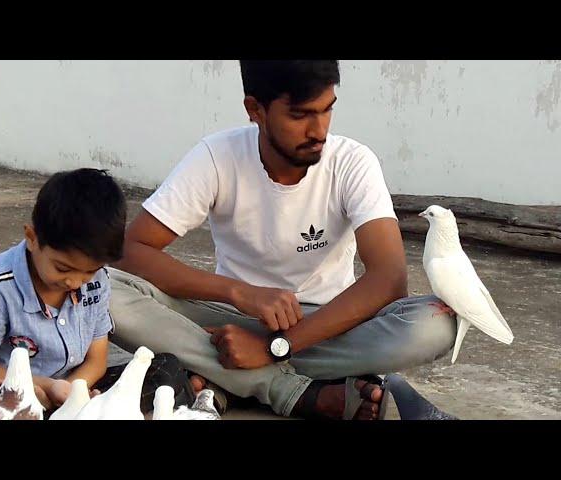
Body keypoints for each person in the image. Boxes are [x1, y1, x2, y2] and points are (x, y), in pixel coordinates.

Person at [109, 60, 458, 420]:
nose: (318, 129)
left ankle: (226, 376)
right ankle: (291, 390)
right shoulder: (217, 157)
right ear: (255, 110)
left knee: (435, 324)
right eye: (300, 115)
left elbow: (389, 278)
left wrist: (277, 348)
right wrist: (238, 292)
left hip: (332, 325)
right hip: (233, 320)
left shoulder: (352, 163)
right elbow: (129, 251)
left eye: (327, 110)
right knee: (104, 291)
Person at [0, 168, 194, 420]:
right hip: (12, 394)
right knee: (6, 414)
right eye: (62, 268)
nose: (75, 281)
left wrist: (74, 395)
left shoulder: (98, 281)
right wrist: (49, 388)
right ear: (32, 238)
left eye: (89, 271)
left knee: (167, 370)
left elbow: (97, 361)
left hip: (77, 387)